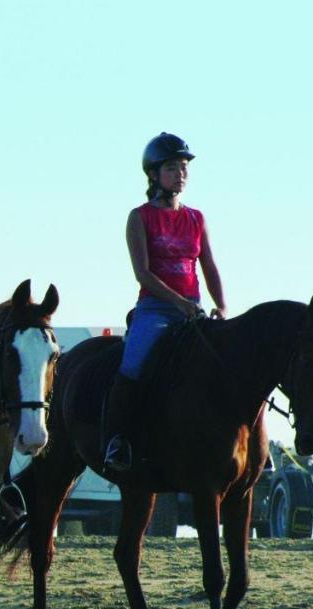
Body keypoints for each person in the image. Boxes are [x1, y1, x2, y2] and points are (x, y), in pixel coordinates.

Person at [103, 132, 228, 473]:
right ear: (154, 174)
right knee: (132, 364)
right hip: (156, 310)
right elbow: (142, 274)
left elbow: (210, 267)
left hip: (194, 307)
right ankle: (118, 439)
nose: (181, 174)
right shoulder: (139, 217)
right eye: (173, 168)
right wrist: (179, 303)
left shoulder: (196, 218)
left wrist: (222, 305)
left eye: (184, 168)